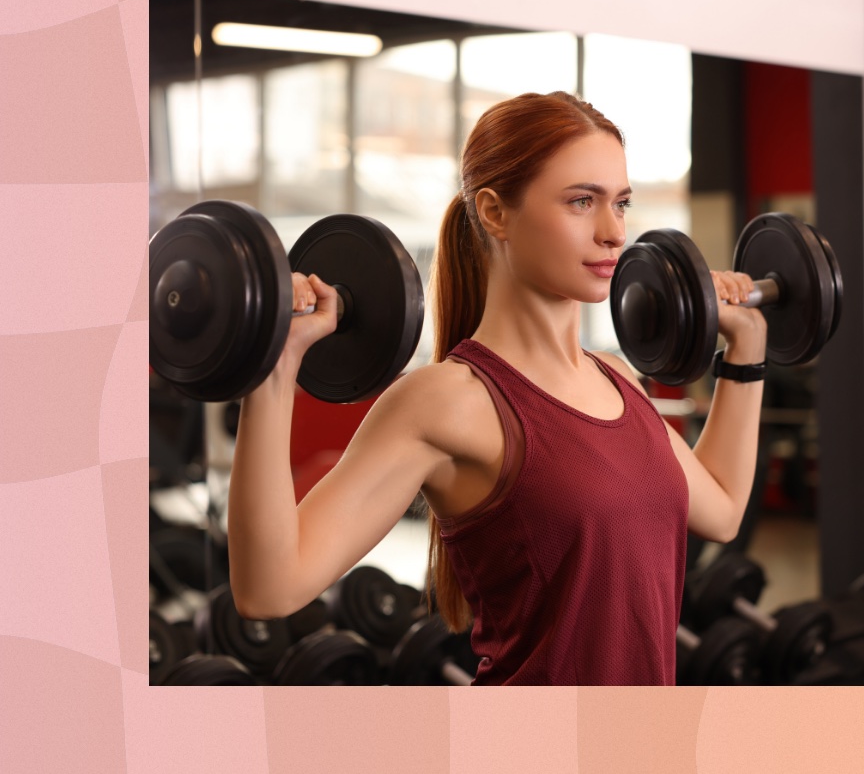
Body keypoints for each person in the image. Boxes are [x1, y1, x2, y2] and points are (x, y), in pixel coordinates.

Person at [228, 91, 767, 685]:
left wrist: (746, 351)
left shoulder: (620, 380)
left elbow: (720, 510)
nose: (615, 232)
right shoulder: (445, 402)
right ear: (495, 212)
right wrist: (273, 371)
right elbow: (269, 588)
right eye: (581, 201)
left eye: (621, 203)